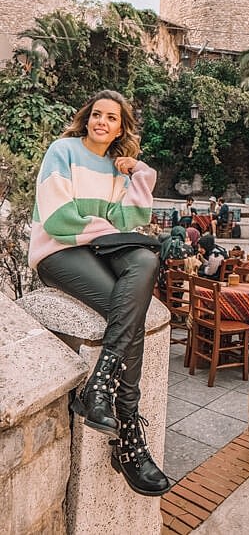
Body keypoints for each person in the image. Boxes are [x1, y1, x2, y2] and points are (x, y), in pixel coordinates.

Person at [28, 89, 171, 497]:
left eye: (112, 118)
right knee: (130, 313)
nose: (102, 122)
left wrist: (139, 173)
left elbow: (129, 220)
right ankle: (128, 435)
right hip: (59, 251)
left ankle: (100, 385)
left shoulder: (117, 168)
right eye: (97, 114)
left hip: (97, 249)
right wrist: (106, 230)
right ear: (86, 118)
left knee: (145, 260)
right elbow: (58, 218)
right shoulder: (63, 151)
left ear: (121, 128)